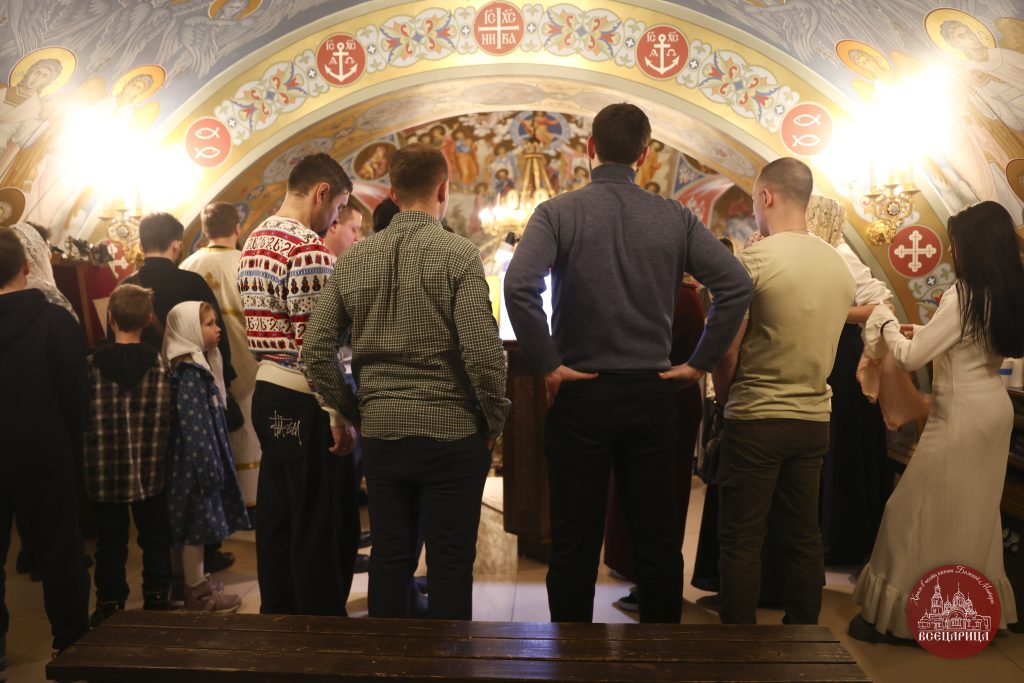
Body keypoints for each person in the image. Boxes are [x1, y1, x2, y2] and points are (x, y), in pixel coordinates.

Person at [504, 103, 753, 624]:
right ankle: (659, 656)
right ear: (644, 155)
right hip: (651, 393)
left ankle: (573, 655)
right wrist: (698, 364)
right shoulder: (675, 217)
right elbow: (735, 285)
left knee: (573, 542)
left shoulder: (557, 213)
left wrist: (548, 365)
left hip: (580, 394)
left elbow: (520, 284)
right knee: (657, 541)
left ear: (589, 149)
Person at [303, 143, 510, 620]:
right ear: (443, 189)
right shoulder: (459, 255)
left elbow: (314, 351)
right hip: (452, 431)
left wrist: (355, 411)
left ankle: (388, 657)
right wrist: (494, 421)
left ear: (392, 194)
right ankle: (450, 656)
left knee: (391, 556)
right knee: (451, 561)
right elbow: (482, 353)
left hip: (383, 433)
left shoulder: (355, 259)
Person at [850, 200, 1023, 642]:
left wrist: (885, 321)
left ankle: (902, 620)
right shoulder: (1005, 291)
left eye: (955, 242)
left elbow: (910, 357)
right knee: (974, 515)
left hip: (960, 414)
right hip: (993, 409)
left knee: (911, 510)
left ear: (974, 246)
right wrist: (919, 333)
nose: (951, 250)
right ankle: (969, 615)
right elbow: (968, 343)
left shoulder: (963, 296)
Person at [712, 158, 855, 626]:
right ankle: (804, 638)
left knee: (741, 540)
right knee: (803, 536)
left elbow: (725, 351)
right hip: (813, 419)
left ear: (766, 196)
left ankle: (739, 647)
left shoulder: (754, 260)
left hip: (756, 417)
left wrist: (726, 399)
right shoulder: (837, 265)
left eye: (754, 200)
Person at [238, 152, 359, 616]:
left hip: (267, 391)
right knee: (320, 522)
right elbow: (317, 345)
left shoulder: (256, 239)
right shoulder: (308, 248)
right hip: (306, 398)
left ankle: (279, 620)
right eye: (338, 207)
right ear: (322, 192)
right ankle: (320, 628)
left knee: (279, 517)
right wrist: (338, 414)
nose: (334, 219)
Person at [120, 211, 237, 574]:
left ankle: (164, 562)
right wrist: (225, 381)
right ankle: (206, 552)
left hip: (145, 396)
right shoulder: (190, 281)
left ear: (141, 244)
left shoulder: (127, 287)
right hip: (195, 387)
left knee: (161, 478)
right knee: (197, 477)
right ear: (177, 244)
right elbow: (217, 336)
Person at [0, 225, 89, 667]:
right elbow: (76, 396)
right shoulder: (56, 321)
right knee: (61, 557)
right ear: (26, 265)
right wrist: (71, 447)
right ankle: (70, 646)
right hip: (46, 454)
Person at [805, 196, 894, 566]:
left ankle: (844, 539)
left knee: (841, 442)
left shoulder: (840, 253)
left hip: (844, 359)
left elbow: (881, 303)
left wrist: (833, 312)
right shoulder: (816, 255)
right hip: (827, 353)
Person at [84, 284, 173, 625]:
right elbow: (170, 415)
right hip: (151, 467)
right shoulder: (161, 365)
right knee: (155, 536)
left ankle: (110, 604)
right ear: (149, 320)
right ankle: (157, 598)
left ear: (110, 317)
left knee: (109, 542)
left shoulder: (90, 366)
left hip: (103, 469)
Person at [163, 301, 250, 612]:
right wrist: (209, 468)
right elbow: (195, 427)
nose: (217, 329)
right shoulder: (190, 373)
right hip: (194, 467)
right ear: (188, 329)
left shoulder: (194, 366)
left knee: (190, 526)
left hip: (195, 463)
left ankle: (183, 583)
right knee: (195, 529)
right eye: (209, 324)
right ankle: (197, 592)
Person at [180, 202, 261, 514]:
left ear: (204, 230)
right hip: (248, 361)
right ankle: (253, 500)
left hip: (204, 366)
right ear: (237, 228)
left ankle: (221, 502)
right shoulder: (249, 262)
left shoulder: (188, 265)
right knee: (250, 432)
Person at [10, 222, 77, 320]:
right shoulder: (45, 292)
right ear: (39, 250)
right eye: (48, 247)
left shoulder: (7, 288)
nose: (50, 254)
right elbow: (70, 325)